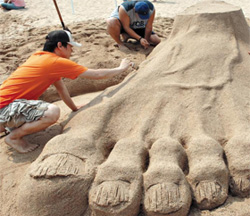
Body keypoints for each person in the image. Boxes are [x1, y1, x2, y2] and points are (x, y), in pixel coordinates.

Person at [0, 30, 132, 153]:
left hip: (6, 108)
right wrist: (121, 68)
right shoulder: (55, 62)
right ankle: (14, 137)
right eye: (70, 47)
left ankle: (11, 128)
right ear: (60, 45)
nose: (72, 51)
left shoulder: (39, 57)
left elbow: (61, 88)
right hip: (5, 109)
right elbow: (97, 75)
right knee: (52, 112)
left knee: (38, 114)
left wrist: (74, 108)